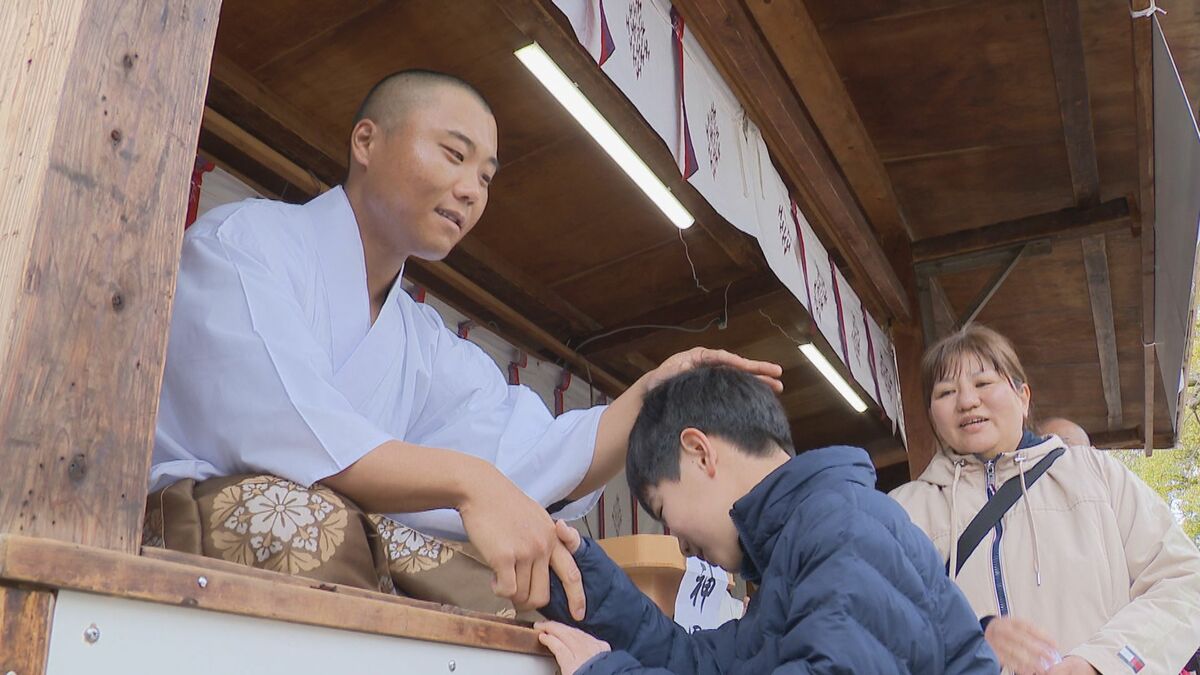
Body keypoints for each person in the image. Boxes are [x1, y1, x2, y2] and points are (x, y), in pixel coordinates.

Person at [148, 69, 782, 617]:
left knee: (536, 591)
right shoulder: (246, 244)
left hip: (341, 544)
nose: (472, 190)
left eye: (486, 176)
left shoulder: (420, 338)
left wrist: (650, 394)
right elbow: (287, 424)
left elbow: (525, 451)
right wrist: (467, 482)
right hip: (206, 525)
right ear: (366, 141)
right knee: (303, 521)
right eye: (454, 155)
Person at [535, 367, 998, 674]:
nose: (679, 543)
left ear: (699, 453)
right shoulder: (802, 547)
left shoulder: (842, 529)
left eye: (663, 511)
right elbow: (696, 664)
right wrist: (579, 577)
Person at [891, 324, 1200, 674]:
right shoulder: (903, 512)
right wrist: (965, 642)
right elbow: (872, 624)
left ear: (1022, 397)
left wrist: (1101, 662)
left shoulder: (1095, 475)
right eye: (946, 392)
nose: (966, 401)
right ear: (932, 415)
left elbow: (1184, 579)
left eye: (983, 383)